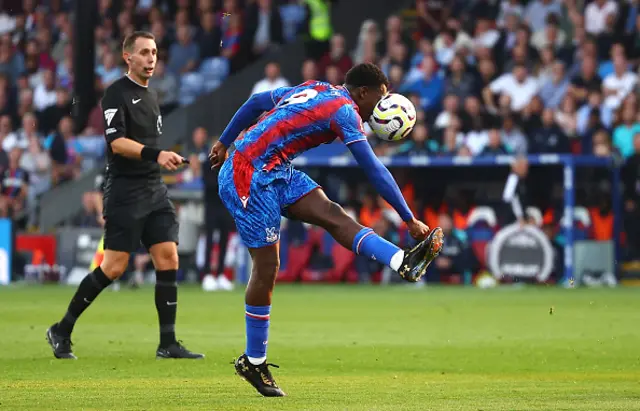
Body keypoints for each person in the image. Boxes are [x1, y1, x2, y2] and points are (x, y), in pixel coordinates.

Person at [209, 63, 444, 397]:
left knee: (334, 214)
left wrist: (222, 140)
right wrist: (408, 218)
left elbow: (259, 101)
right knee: (267, 267)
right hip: (248, 173)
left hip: (278, 169)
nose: (382, 105)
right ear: (363, 93)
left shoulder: (318, 87)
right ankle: (254, 361)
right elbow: (374, 169)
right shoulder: (345, 111)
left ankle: (401, 261)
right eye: (381, 97)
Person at [46, 31, 203, 360]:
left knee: (168, 258)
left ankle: (168, 343)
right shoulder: (116, 93)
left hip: (154, 188)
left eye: (155, 52)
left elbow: (147, 150)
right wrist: (156, 154)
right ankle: (61, 329)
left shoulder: (152, 96)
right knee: (114, 267)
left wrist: (163, 158)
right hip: (125, 191)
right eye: (144, 53)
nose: (151, 59)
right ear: (127, 57)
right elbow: (117, 143)